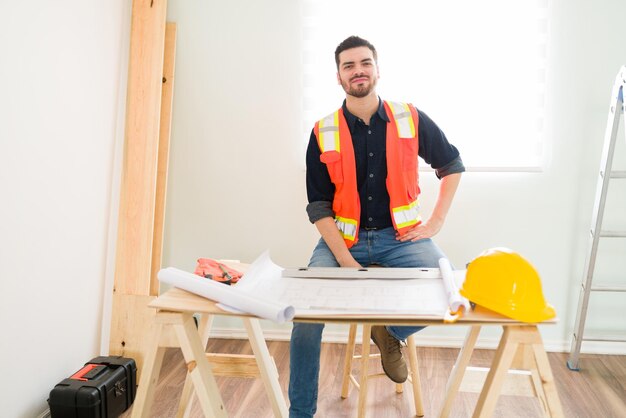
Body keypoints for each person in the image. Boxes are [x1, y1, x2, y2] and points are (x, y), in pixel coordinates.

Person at [289, 35, 465, 418]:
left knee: (448, 288)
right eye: (348, 66)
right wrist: (345, 263)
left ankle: (392, 332)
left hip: (400, 238)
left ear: (377, 70)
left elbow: (451, 165)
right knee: (304, 320)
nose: (358, 71)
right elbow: (318, 207)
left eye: (364, 63)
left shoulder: (409, 117)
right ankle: (300, 413)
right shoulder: (323, 130)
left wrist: (435, 222)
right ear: (338, 77)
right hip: (343, 242)